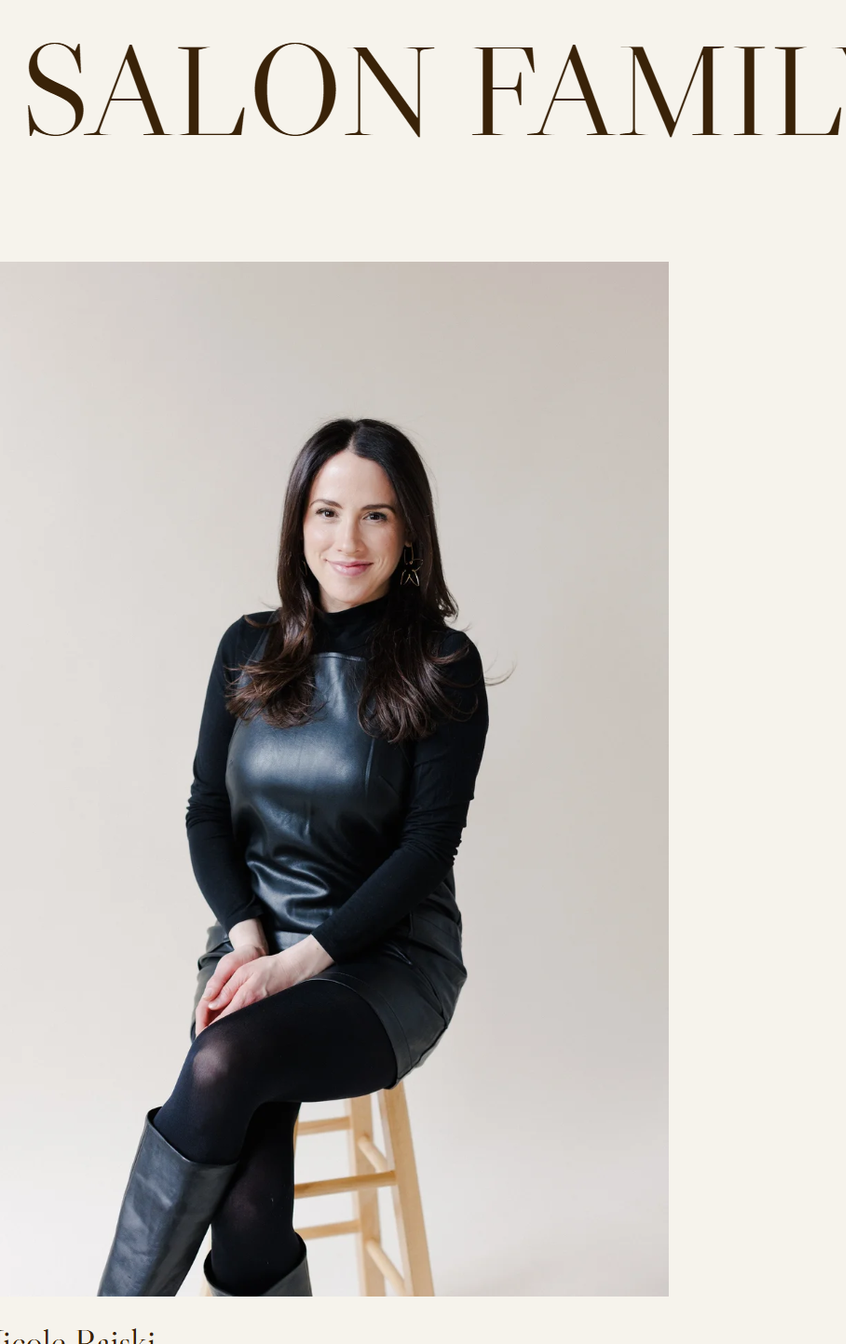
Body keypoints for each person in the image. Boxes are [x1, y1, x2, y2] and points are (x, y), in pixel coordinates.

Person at [97, 419, 492, 1296]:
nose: (347, 541)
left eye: (377, 517)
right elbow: (206, 814)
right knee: (245, 1219)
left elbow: (427, 851)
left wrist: (303, 964)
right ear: (298, 521)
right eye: (328, 511)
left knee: (223, 1062)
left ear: (410, 532)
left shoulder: (442, 665)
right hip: (254, 948)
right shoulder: (248, 647)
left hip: (383, 963)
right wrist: (249, 945)